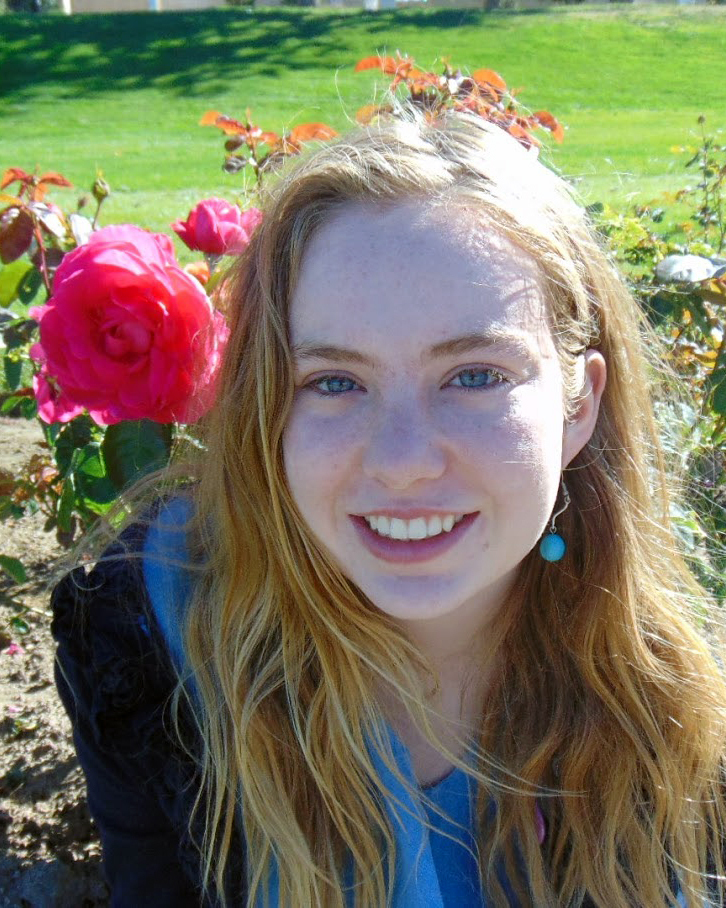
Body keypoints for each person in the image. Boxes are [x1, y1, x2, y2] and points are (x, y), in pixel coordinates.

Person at [52, 109, 726, 908]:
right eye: (335, 382)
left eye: (474, 375)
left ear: (579, 405)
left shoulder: (681, 713)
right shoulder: (157, 648)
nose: (403, 462)